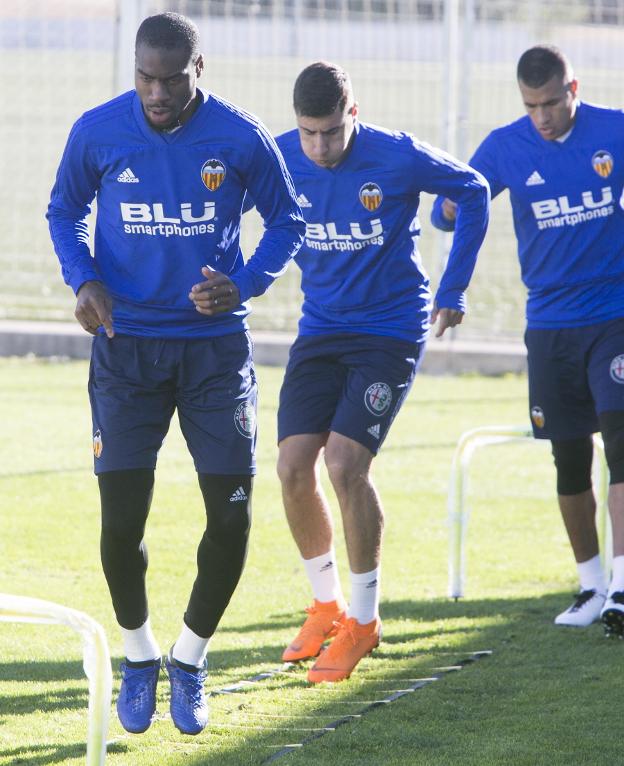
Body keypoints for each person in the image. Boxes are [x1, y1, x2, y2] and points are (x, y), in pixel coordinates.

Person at [47, 12, 304, 735]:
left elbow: (287, 218)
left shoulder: (238, 136)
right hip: (125, 350)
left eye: (170, 79)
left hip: (214, 352)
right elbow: (64, 210)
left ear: (200, 70)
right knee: (121, 523)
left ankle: (190, 659)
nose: (155, 93)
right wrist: (83, 280)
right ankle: (139, 655)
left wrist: (247, 281)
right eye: (144, 77)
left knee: (231, 515)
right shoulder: (98, 130)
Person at [268, 61, 489, 683]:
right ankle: (326, 605)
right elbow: (226, 204)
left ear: (353, 113)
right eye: (310, 134)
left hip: (389, 331)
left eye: (332, 132)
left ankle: (363, 622)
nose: (320, 147)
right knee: (290, 467)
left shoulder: (396, 156)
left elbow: (472, 189)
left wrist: (456, 285)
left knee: (344, 464)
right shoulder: (280, 157)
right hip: (320, 329)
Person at [431, 45, 624, 635]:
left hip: (615, 314)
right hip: (548, 324)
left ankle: (622, 585)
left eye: (551, 102)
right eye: (531, 105)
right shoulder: (504, 147)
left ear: (575, 88)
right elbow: (451, 210)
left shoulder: (614, 131)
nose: (542, 116)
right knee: (568, 455)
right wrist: (449, 206)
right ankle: (591, 584)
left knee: (620, 441)